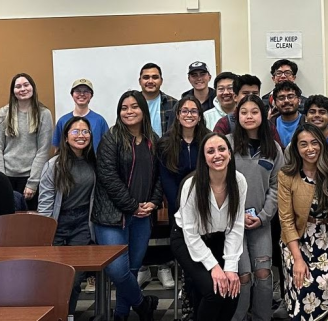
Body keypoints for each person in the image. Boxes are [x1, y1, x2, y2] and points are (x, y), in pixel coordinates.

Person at [94, 90, 161, 321]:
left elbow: (160, 176)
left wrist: (153, 202)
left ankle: (121, 314)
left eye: (134, 107)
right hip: (111, 217)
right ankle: (143, 305)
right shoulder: (111, 138)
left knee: (133, 268)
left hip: (143, 216)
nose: (129, 111)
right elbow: (107, 177)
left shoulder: (154, 140)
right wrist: (132, 205)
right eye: (124, 107)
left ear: (143, 110)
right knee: (117, 270)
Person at [277, 124, 328, 320]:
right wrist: (298, 259)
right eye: (304, 144)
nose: (310, 149)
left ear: (322, 144)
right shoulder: (287, 175)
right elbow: (286, 220)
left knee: (325, 285)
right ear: (296, 149)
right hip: (297, 240)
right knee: (302, 285)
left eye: (314, 143)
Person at [170, 133, 245, 321]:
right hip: (186, 240)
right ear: (204, 158)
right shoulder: (192, 185)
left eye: (221, 149)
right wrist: (214, 267)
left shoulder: (239, 181)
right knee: (214, 292)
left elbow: (235, 228)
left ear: (230, 153)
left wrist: (230, 267)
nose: (217, 155)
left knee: (231, 291)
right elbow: (191, 234)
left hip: (218, 238)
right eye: (210, 151)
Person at [226, 95, 283, 321]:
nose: (249, 116)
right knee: (243, 275)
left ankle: (262, 317)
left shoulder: (274, 149)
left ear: (263, 115)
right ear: (237, 116)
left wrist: (263, 216)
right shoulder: (227, 145)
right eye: (244, 112)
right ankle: (238, 317)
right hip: (232, 223)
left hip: (261, 223)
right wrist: (235, 215)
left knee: (263, 273)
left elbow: (277, 186)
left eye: (254, 112)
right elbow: (219, 183)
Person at [38, 116, 99, 315]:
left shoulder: (93, 163)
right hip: (57, 225)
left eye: (85, 132)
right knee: (54, 277)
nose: (81, 136)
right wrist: (44, 235)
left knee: (74, 278)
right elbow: (46, 204)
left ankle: (69, 315)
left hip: (82, 225)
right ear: (65, 137)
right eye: (75, 131)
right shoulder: (53, 165)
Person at [157, 96, 212, 289]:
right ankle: (188, 300)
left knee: (206, 258)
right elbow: (166, 179)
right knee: (187, 260)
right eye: (185, 111)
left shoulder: (208, 139)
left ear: (199, 116)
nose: (189, 115)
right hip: (178, 210)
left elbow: (213, 173)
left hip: (207, 208)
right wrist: (182, 207)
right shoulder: (165, 143)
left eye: (193, 111)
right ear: (178, 115)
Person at [0, 73, 54, 211]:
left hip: (30, 177)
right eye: (18, 86)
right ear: (13, 91)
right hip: (6, 177)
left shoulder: (44, 114)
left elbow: (43, 150)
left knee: (28, 223)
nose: (22, 89)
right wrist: (1, 181)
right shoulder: (3, 113)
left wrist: (33, 183)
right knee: (6, 222)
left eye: (26, 85)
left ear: (33, 88)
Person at [53, 78, 110, 153]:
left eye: (86, 91)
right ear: (72, 95)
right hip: (68, 163)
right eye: (78, 91)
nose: (82, 94)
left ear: (91, 95)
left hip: (94, 163)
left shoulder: (100, 121)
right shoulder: (63, 121)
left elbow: (107, 148)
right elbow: (57, 148)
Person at [139, 62, 179, 136]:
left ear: (161, 81)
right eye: (146, 77)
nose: (150, 81)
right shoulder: (131, 104)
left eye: (155, 77)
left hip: (165, 147)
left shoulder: (173, 104)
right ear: (140, 81)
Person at [302, 95, 328, 160]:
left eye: (322, 112)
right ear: (305, 117)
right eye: (312, 112)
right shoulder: (295, 144)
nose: (317, 115)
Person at [272, 81, 303, 148]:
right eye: (281, 98)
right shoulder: (270, 125)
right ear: (275, 103)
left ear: (299, 100)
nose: (286, 101)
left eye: (290, 97)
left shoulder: (307, 122)